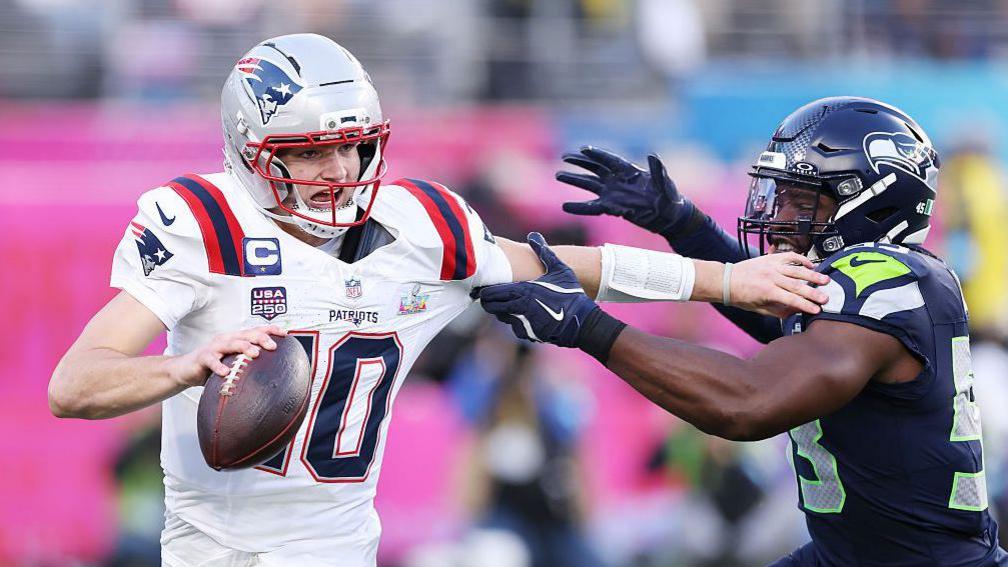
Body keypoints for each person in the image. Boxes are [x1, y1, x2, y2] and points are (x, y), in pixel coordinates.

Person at [46, 34, 829, 567]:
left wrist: (726, 278)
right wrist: (185, 368)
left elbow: (566, 264)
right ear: (252, 154)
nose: (338, 166)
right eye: (308, 150)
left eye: (352, 142)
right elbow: (74, 384)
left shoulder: (421, 223)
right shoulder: (200, 224)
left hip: (343, 549)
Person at [476, 96, 1008, 565]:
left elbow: (748, 402)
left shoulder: (885, 280)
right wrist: (684, 225)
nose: (778, 217)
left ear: (871, 200)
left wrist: (585, 326)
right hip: (848, 552)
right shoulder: (867, 287)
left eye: (802, 200)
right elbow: (774, 314)